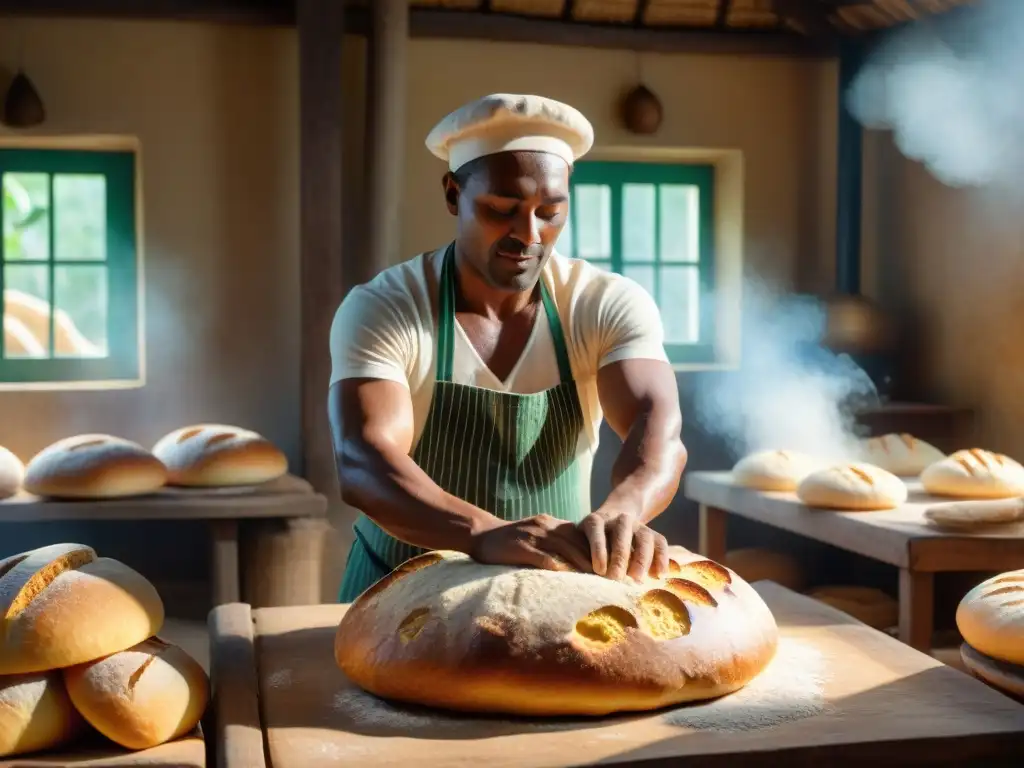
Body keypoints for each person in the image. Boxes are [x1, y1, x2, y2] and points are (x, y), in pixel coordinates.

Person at [329, 93, 686, 603]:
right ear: (453, 194)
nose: (529, 234)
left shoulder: (602, 303)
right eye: (502, 210)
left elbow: (659, 426)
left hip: (546, 595)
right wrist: (481, 533)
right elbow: (364, 461)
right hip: (396, 592)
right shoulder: (387, 307)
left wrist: (623, 511)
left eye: (551, 212)